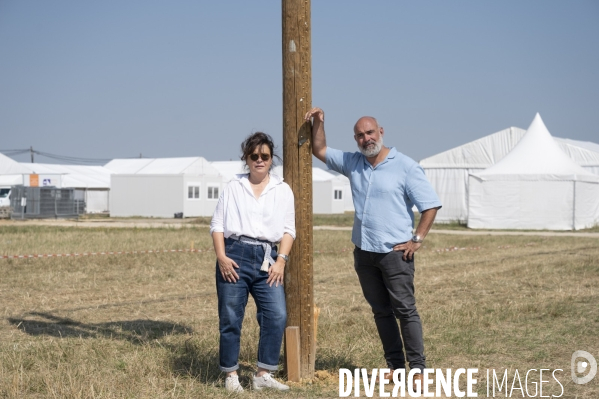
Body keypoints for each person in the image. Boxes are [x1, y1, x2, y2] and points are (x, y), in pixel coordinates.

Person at [305, 107, 442, 392]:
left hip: (396, 253)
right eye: (360, 135)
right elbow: (318, 149)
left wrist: (417, 239)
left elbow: (429, 205)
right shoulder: (353, 162)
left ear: (381, 132)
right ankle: (395, 367)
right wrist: (319, 122)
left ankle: (417, 369)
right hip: (364, 252)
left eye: (370, 132)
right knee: (380, 311)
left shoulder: (405, 166)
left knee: (405, 310)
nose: (366, 139)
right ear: (355, 139)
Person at [210, 132, 295, 393]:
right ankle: (231, 376)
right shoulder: (233, 187)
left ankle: (262, 375)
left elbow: (289, 230)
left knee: (276, 314)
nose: (259, 160)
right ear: (246, 159)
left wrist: (281, 260)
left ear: (271, 159)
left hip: (268, 259)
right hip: (234, 255)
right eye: (254, 156)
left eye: (265, 156)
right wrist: (222, 257)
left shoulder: (282, 189)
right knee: (231, 317)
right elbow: (217, 225)